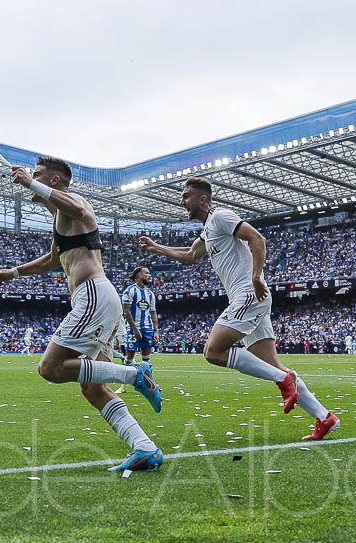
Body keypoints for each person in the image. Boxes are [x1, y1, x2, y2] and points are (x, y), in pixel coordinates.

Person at [0, 156, 163, 473]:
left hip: (93, 295)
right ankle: (145, 448)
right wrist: (13, 272)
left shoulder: (77, 204)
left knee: (51, 368)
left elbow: (80, 209)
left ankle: (135, 375)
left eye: (39, 175)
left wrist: (30, 183)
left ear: (54, 182)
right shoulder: (61, 220)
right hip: (101, 298)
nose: (32, 178)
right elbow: (52, 261)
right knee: (93, 386)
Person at [138, 177, 338, 441]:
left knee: (213, 351)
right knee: (271, 364)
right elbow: (189, 254)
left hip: (249, 294)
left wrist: (256, 276)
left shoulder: (220, 216)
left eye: (186, 196)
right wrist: (155, 247)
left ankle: (284, 379)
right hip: (250, 298)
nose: (181, 200)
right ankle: (325, 418)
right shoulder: (208, 229)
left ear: (202, 199)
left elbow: (257, 238)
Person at [121, 266, 159, 366]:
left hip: (147, 328)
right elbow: (126, 312)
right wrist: (135, 329)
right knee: (130, 355)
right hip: (133, 328)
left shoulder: (150, 294)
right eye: (146, 273)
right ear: (138, 276)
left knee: (146, 355)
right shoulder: (129, 291)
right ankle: (125, 378)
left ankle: (146, 379)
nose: (149, 275)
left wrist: (156, 331)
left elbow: (153, 313)